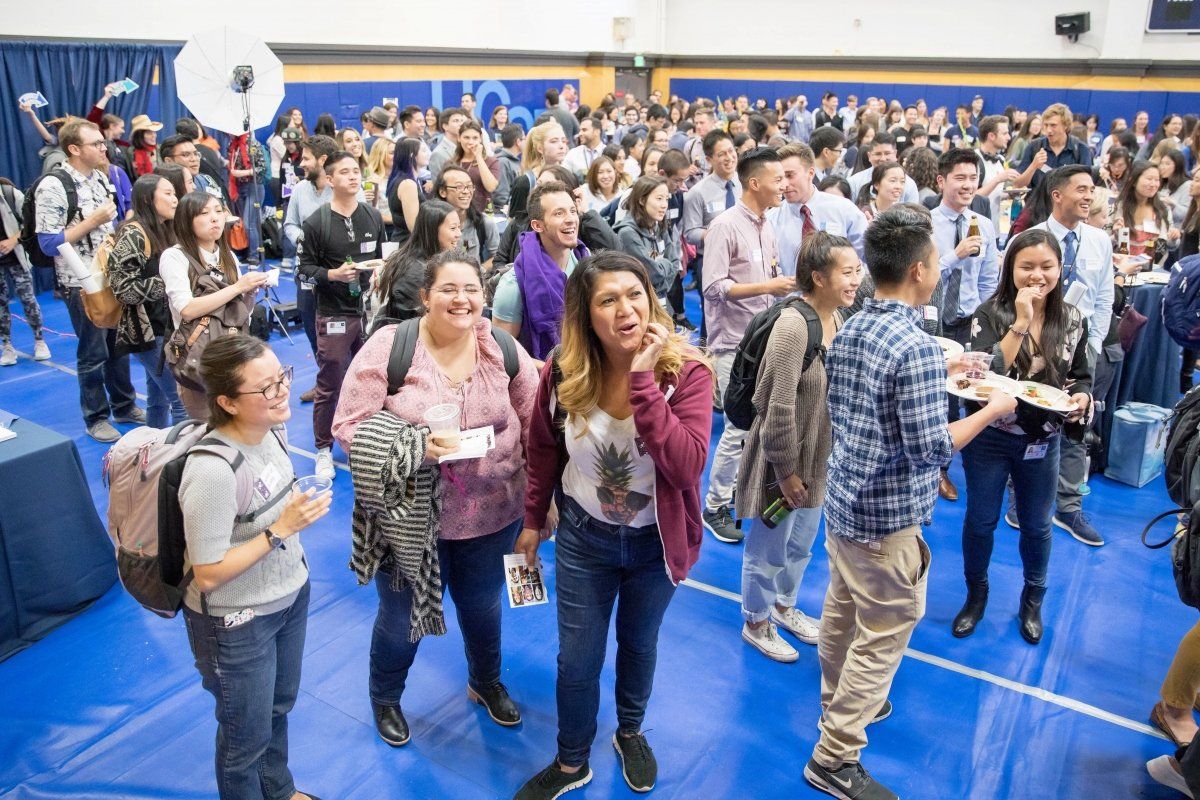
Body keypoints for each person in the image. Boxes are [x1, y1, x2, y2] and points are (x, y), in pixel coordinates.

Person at [805, 205, 1017, 800]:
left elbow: (870, 395)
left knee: (842, 616)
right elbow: (929, 450)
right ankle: (835, 755)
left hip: (846, 505)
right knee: (883, 636)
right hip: (889, 520)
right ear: (924, 269)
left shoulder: (851, 326)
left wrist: (946, 365)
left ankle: (838, 708)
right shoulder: (917, 348)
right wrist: (993, 409)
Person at [512, 251, 713, 799]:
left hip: (655, 545)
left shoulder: (685, 373)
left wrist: (645, 380)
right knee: (576, 657)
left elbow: (687, 465)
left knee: (639, 643)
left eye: (635, 294)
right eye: (608, 299)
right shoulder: (563, 370)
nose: (626, 309)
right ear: (585, 314)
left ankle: (629, 731)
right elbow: (543, 448)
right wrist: (533, 519)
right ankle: (572, 759)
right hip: (584, 538)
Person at [333, 249, 539, 749]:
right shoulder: (392, 346)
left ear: (484, 297)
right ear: (425, 296)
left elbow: (536, 426)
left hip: (495, 514)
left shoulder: (503, 350)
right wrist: (414, 447)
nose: (461, 299)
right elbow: (348, 425)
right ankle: (385, 697)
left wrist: (540, 503)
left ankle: (485, 682)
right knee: (402, 615)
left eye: (471, 289)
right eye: (448, 289)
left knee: (484, 604)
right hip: (411, 517)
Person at [179, 333, 331, 800]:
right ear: (226, 401)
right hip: (236, 620)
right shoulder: (210, 471)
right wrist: (279, 530)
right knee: (244, 737)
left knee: (277, 708)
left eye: (281, 376)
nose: (283, 390)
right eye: (265, 388)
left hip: (288, 596)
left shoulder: (273, 430)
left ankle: (278, 791)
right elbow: (207, 574)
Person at [952, 227, 1093, 648]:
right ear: (1010, 268)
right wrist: (1021, 321)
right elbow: (984, 373)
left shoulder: (1071, 318)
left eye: (1046, 266)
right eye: (1026, 266)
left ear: (1059, 270)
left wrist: (1084, 395)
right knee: (981, 520)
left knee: (1037, 524)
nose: (1037, 275)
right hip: (989, 436)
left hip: (1042, 439)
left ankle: (1033, 600)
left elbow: (1083, 374)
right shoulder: (989, 313)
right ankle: (976, 595)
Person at [737, 232, 862, 662]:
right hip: (783, 461)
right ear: (817, 277)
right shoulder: (792, 326)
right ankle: (756, 620)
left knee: (800, 543)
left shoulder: (837, 319)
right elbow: (777, 405)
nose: (855, 281)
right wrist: (786, 472)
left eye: (857, 271)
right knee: (768, 547)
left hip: (818, 460)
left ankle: (784, 607)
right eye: (846, 272)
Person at [1012, 165, 1114, 546]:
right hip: (1030, 344)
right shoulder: (1030, 238)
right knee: (1022, 418)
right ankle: (1018, 498)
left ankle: (1069, 506)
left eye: (1092, 190)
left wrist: (1094, 343)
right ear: (1057, 194)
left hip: (1080, 346)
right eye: (1082, 189)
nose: (1089, 196)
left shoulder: (1099, 241)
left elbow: (1103, 296)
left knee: (1075, 420)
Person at [34, 118, 143, 442]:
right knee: (93, 352)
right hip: (80, 283)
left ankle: (124, 405)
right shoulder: (53, 186)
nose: (103, 147)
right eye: (95, 143)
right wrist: (92, 221)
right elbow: (48, 242)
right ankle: (96, 417)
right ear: (74, 149)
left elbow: (107, 228)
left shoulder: (100, 177)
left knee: (119, 345)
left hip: (111, 276)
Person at [701, 147, 788, 545]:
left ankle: (740, 491)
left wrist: (778, 286)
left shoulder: (766, 225)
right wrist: (767, 287)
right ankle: (714, 504)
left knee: (758, 425)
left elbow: (769, 274)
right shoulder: (725, 226)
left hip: (761, 338)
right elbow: (714, 288)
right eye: (777, 179)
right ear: (755, 183)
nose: (783, 186)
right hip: (732, 343)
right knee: (737, 429)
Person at [297, 151, 385, 481]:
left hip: (370, 311)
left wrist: (379, 272)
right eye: (344, 171)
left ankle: (364, 440)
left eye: (355, 170)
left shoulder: (372, 216)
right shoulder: (316, 222)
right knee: (331, 380)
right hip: (333, 312)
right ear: (329, 180)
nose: (352, 176)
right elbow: (303, 270)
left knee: (371, 379)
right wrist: (332, 275)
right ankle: (323, 448)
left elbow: (380, 257)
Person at [161, 192, 267, 419]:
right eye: (204, 213)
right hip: (199, 357)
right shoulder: (175, 257)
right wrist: (238, 288)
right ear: (186, 221)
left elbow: (240, 313)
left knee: (239, 425)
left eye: (219, 211)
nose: (215, 219)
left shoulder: (227, 256)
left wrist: (249, 294)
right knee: (205, 428)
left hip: (231, 354)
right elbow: (187, 309)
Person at [932, 148, 1000, 500]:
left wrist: (984, 320)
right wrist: (954, 256)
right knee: (937, 397)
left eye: (973, 178)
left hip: (969, 323)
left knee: (970, 390)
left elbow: (989, 280)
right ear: (942, 181)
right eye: (960, 177)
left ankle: (966, 459)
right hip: (934, 323)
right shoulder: (926, 223)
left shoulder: (984, 225)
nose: (968, 185)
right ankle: (937, 469)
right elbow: (923, 277)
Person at [106, 174, 187, 428]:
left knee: (158, 398)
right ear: (147, 199)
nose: (175, 199)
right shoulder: (134, 233)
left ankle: (152, 455)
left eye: (175, 193)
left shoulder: (166, 228)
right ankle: (184, 459)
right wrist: (171, 284)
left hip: (166, 326)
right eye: (167, 194)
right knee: (182, 400)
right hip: (148, 331)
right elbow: (122, 288)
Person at [492, 180, 590, 361]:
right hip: (544, 378)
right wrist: (557, 370)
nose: (570, 219)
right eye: (559, 213)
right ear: (537, 225)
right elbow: (502, 356)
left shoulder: (585, 261)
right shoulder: (514, 284)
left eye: (573, 211)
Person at [769, 143, 867, 276]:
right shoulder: (771, 220)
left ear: (810, 173)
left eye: (790, 175)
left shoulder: (844, 210)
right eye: (779, 178)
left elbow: (867, 258)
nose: (784, 184)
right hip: (790, 295)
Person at [681, 129, 740, 321]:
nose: (729, 158)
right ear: (709, 159)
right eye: (722, 154)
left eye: (731, 151)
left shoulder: (744, 183)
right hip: (710, 261)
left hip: (742, 260)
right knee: (713, 317)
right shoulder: (697, 193)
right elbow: (690, 233)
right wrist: (716, 234)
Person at [372, 200, 461, 325]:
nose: (459, 234)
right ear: (433, 231)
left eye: (459, 227)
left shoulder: (437, 260)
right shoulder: (414, 272)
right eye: (453, 228)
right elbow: (422, 322)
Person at [0, 178, 49, 366]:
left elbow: (31, 223)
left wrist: (13, 240)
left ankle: (39, 340)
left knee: (28, 299)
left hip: (16, 258)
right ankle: (7, 346)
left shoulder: (10, 194)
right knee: (1, 305)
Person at [614, 175, 680, 309]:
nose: (664, 205)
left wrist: (662, 286)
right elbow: (653, 274)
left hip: (661, 301)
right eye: (659, 199)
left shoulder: (659, 225)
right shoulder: (628, 233)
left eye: (666, 199)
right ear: (642, 200)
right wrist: (664, 264)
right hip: (639, 305)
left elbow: (674, 262)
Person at [1014, 103, 1093, 192]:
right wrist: (1033, 166)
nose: (1048, 130)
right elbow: (1018, 184)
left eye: (1053, 125)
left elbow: (1086, 186)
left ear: (1065, 126)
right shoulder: (1034, 147)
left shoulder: (1081, 150)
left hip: (1067, 204)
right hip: (1037, 204)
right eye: (1046, 125)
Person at [506, 121, 569, 226]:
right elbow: (514, 225)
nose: (561, 146)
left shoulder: (568, 176)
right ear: (540, 148)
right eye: (554, 141)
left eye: (563, 141)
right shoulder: (525, 182)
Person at [1114, 161, 1180, 258]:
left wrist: (1174, 238)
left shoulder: (1163, 209)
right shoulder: (1119, 207)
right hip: (1121, 266)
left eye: (1157, 180)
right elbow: (1105, 239)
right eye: (1149, 179)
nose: (1153, 184)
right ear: (1134, 181)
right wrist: (1116, 234)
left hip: (1151, 269)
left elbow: (1170, 245)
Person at [436, 166, 497, 270]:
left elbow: (498, 257)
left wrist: (478, 271)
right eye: (459, 187)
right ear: (442, 192)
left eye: (469, 186)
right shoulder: (432, 223)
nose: (466, 191)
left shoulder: (484, 222)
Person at [226, 131, 268, 265]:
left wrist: (243, 172)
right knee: (245, 222)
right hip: (239, 186)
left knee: (250, 223)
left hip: (253, 186)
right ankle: (248, 252)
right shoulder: (232, 146)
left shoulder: (252, 144)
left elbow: (262, 168)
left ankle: (255, 255)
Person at [846, 132, 920, 206]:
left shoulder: (909, 185)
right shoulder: (855, 182)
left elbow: (913, 215)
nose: (883, 159)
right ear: (869, 156)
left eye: (887, 153)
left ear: (895, 154)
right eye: (878, 154)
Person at [385, 137, 428, 248]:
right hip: (408, 246)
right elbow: (413, 226)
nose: (427, 153)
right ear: (412, 155)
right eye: (423, 150)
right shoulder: (407, 184)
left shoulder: (409, 180)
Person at [450, 120, 500, 213]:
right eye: (466, 137)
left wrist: (478, 157)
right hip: (456, 213)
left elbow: (491, 187)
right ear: (459, 138)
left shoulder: (491, 161)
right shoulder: (451, 163)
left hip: (482, 213)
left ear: (480, 139)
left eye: (475, 138)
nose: (470, 142)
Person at [428, 107, 468, 184]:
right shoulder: (438, 153)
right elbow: (438, 184)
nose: (461, 124)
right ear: (445, 126)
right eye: (456, 121)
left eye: (462, 121)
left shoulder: (466, 147)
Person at [493, 125, 525, 211]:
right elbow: (501, 196)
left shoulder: (514, 161)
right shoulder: (502, 162)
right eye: (524, 139)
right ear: (518, 142)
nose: (526, 143)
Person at [366, 137, 396, 229]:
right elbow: (371, 211)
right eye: (392, 153)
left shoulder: (400, 176)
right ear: (380, 155)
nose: (397, 156)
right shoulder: (370, 180)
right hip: (385, 229)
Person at [126, 114, 162, 179]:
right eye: (149, 133)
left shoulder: (160, 149)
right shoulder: (130, 152)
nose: (154, 136)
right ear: (140, 136)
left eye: (154, 132)